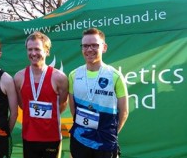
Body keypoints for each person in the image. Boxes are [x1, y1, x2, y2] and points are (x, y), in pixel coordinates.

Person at [68, 28, 129, 158]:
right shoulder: (73, 75)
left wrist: (111, 133)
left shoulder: (115, 76)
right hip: (80, 139)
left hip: (105, 141)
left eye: (95, 45)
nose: (89, 49)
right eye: (85, 46)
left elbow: (124, 111)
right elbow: (73, 109)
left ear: (104, 47)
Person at [14, 31, 69, 158]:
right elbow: (23, 105)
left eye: (37, 49)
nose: (33, 53)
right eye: (30, 49)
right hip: (29, 136)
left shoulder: (59, 77)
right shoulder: (19, 77)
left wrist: (48, 118)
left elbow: (62, 104)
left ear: (47, 51)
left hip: (52, 137)